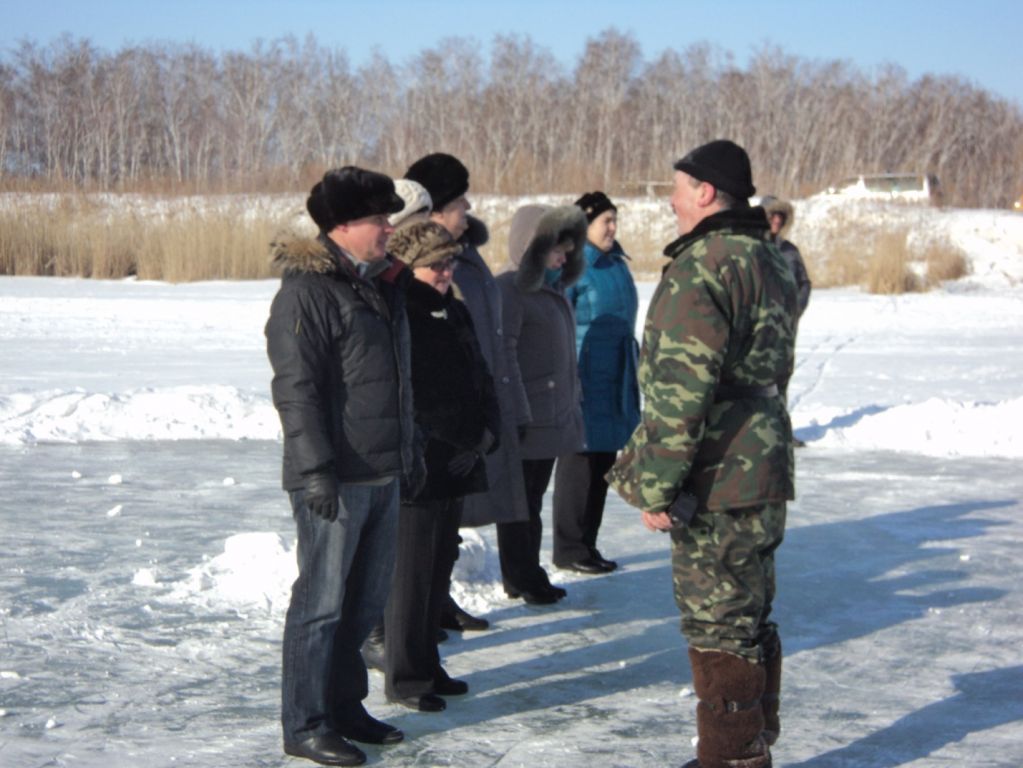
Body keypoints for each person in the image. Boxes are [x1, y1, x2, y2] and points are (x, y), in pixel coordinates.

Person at [607, 140, 797, 768]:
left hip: (719, 474)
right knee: (750, 614)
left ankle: (732, 758)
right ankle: (748, 748)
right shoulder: (773, 258)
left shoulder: (704, 265)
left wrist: (657, 488)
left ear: (707, 193)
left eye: (679, 188)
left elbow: (677, 395)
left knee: (720, 627)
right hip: (763, 464)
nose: (671, 201)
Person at [265, 167, 415, 767]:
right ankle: (305, 724)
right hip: (334, 477)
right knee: (321, 605)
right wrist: (316, 471)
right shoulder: (306, 292)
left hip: (381, 470)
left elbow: (396, 382)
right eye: (379, 219)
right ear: (343, 225)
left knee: (363, 603)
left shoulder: (376, 284)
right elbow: (295, 391)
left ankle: (345, 707)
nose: (388, 228)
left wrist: (412, 454)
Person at [405, 152, 530, 631]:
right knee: (431, 527)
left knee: (450, 523)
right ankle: (417, 619)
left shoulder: (467, 259)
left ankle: (440, 601)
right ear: (435, 212)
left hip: (475, 408)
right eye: (460, 202)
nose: (468, 209)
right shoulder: (423, 266)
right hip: (443, 420)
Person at [382, 220, 500, 713]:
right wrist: (463, 436)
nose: (446, 271)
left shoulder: (451, 308)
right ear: (411, 266)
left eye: (450, 262)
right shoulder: (402, 312)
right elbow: (418, 394)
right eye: (436, 264)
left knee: (437, 570)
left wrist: (486, 431)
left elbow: (479, 373)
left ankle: (428, 663)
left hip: (458, 458)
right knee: (410, 574)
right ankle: (405, 677)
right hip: (422, 464)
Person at [496, 204, 587, 604]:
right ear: (532, 247)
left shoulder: (554, 292)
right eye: (555, 250)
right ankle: (522, 576)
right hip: (528, 417)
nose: (562, 257)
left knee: (532, 499)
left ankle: (526, 573)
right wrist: (516, 411)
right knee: (521, 503)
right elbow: (504, 354)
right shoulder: (511, 291)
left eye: (566, 251)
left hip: (553, 416)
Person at [551, 191, 640, 575]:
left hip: (616, 374)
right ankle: (569, 547)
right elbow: (558, 320)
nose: (612, 227)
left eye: (614, 219)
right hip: (584, 376)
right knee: (579, 461)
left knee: (603, 460)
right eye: (606, 221)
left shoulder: (615, 261)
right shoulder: (573, 265)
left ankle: (588, 542)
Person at [761, 194, 811, 426]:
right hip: (759, 328)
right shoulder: (753, 249)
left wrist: (795, 310)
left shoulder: (790, 251)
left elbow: (804, 283)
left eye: (780, 217)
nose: (777, 222)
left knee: (782, 376)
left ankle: (781, 428)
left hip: (786, 327)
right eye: (773, 216)